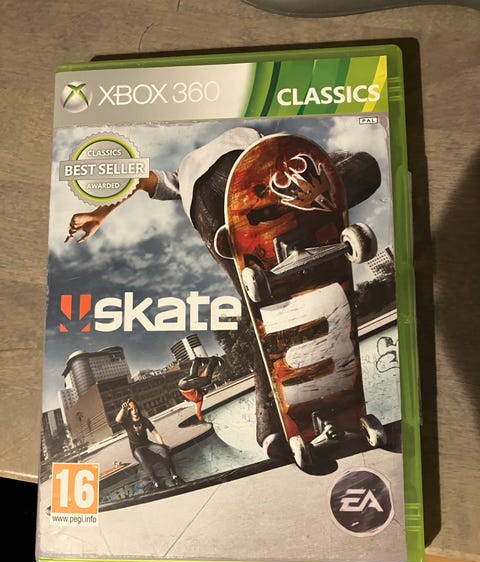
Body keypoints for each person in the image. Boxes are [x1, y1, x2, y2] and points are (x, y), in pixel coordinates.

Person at [66, 126, 381, 463]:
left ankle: (271, 432)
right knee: (366, 166)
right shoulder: (251, 141)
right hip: (250, 169)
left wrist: (98, 214)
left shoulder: (179, 177)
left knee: (262, 317)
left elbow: (139, 180)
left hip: (211, 213)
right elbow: (316, 161)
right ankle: (297, 228)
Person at [115, 399, 183, 489]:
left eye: (135, 408)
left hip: (147, 445)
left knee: (163, 450)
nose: (134, 411)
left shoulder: (144, 420)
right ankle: (155, 482)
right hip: (136, 448)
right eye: (131, 409)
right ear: (129, 411)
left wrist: (163, 445)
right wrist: (123, 409)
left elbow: (155, 433)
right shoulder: (127, 422)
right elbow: (117, 419)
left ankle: (174, 475)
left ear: (138, 409)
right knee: (142, 458)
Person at [177, 356, 223, 424]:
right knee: (194, 375)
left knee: (206, 380)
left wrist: (202, 421)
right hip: (181, 384)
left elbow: (198, 413)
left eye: (205, 390)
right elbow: (198, 413)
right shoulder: (198, 398)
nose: (206, 389)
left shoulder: (198, 400)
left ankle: (212, 360)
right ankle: (197, 361)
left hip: (184, 385)